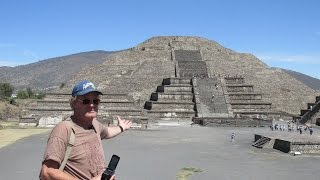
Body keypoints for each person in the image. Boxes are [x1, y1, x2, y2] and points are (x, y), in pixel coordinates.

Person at [40, 80, 132, 180]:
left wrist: (121, 127)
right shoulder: (64, 129)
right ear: (74, 103)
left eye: (95, 101)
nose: (92, 105)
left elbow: (108, 132)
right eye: (86, 101)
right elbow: (47, 172)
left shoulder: (95, 124)